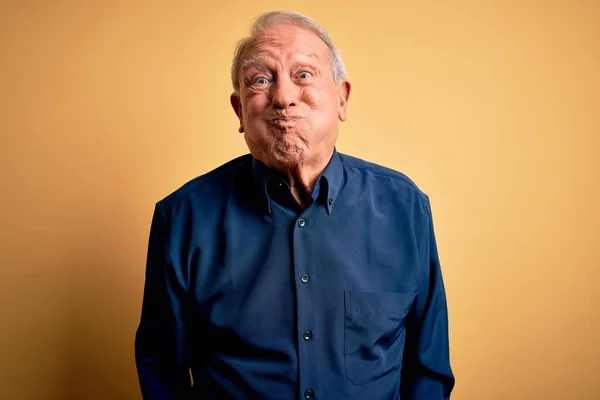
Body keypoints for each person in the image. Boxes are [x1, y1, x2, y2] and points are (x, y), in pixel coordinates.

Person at [135, 10, 455, 400]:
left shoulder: (405, 208)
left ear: (342, 97)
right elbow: (161, 372)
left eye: (303, 75)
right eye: (260, 80)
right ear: (239, 110)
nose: (283, 97)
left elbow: (428, 369)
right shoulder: (183, 218)